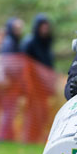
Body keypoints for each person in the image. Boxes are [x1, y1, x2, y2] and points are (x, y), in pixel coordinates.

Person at [19, 14, 55, 143]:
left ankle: (37, 137)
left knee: (43, 113)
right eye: (43, 26)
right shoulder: (29, 43)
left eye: (47, 26)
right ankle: (29, 138)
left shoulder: (46, 42)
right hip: (32, 85)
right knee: (32, 112)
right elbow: (24, 66)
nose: (45, 29)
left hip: (44, 86)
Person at [0, 17, 25, 140]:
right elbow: (8, 63)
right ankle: (4, 135)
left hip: (12, 82)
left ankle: (8, 134)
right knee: (8, 110)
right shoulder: (9, 43)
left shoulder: (14, 42)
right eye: (17, 28)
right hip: (10, 82)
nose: (19, 31)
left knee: (10, 110)